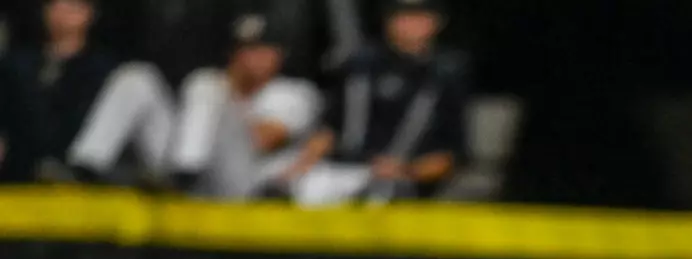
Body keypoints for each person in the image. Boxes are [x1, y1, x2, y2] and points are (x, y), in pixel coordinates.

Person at [65, 13, 320, 196]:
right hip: (182, 176)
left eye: (264, 49)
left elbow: (261, 141)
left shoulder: (294, 93)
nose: (254, 57)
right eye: (247, 49)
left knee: (205, 84)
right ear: (234, 54)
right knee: (136, 77)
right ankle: (85, 166)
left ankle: (186, 170)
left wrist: (218, 109)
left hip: (241, 185)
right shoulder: (215, 87)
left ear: (280, 55)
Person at [277, 0, 465, 205]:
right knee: (295, 189)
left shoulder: (445, 75)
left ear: (436, 22)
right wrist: (301, 166)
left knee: (377, 194)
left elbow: (450, 157)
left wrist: (406, 170)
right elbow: (329, 128)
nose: (410, 24)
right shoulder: (360, 66)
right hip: (340, 169)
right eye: (403, 16)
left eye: (419, 17)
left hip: (400, 176)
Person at [0, 0, 114, 182]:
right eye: (54, 5)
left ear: (90, 14)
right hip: (18, 164)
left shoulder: (103, 70)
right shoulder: (17, 63)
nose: (61, 12)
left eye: (71, 6)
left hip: (73, 163)